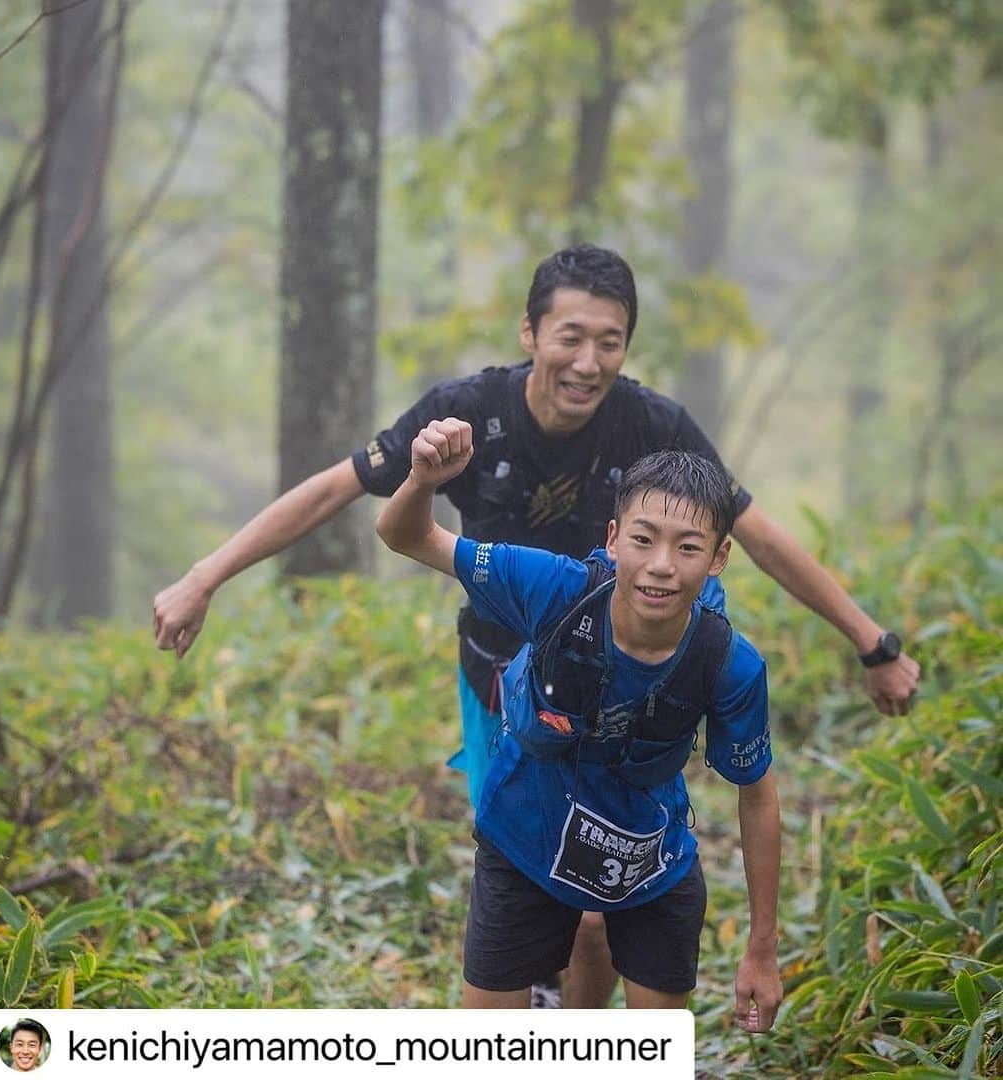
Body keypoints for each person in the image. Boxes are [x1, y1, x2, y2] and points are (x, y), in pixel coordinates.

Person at [153, 244, 918, 1007]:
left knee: (594, 914)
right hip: (500, 677)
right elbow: (338, 491)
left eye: (609, 342)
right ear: (530, 334)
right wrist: (204, 575)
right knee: (526, 859)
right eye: (571, 337)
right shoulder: (469, 414)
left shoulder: (652, 425)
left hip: (622, 684)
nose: (588, 362)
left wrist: (870, 639)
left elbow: (753, 534)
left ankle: (575, 1028)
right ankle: (528, 1001)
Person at [376, 432, 782, 1022]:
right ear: (613, 540)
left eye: (688, 548)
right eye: (643, 540)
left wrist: (762, 950)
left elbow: (759, 798)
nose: (662, 567)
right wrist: (422, 481)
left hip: (650, 862)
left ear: (719, 558)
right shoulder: (553, 587)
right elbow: (405, 535)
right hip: (523, 839)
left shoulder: (729, 663)